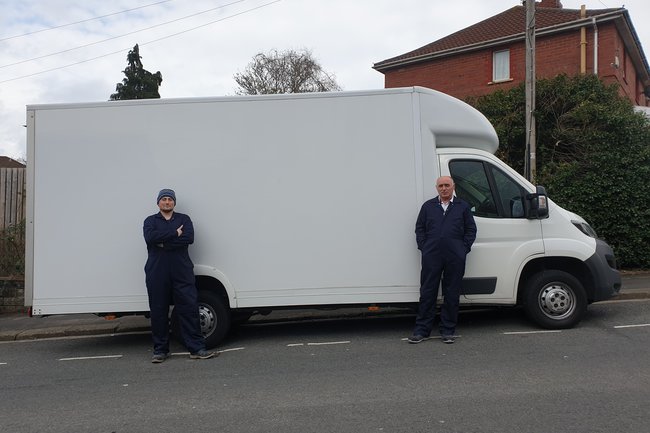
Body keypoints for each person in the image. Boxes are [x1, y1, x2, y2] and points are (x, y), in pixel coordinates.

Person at [143, 188, 216, 363]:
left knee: (189, 308)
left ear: (174, 202)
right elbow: (151, 238)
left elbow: (189, 238)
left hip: (181, 271)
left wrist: (164, 243)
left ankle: (197, 348)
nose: (167, 202)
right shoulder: (150, 221)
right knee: (158, 310)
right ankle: (160, 350)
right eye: (164, 199)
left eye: (170, 199)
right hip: (157, 271)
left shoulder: (184, 219)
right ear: (158, 202)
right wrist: (175, 234)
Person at [408, 176, 477, 344]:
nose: (444, 188)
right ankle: (422, 330)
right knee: (427, 292)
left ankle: (448, 330)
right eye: (441, 186)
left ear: (453, 186)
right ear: (437, 188)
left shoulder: (463, 206)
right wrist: (424, 247)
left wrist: (463, 249)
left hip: (455, 256)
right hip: (432, 255)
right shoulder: (428, 206)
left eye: (447, 185)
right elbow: (420, 229)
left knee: (452, 293)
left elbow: (471, 229)